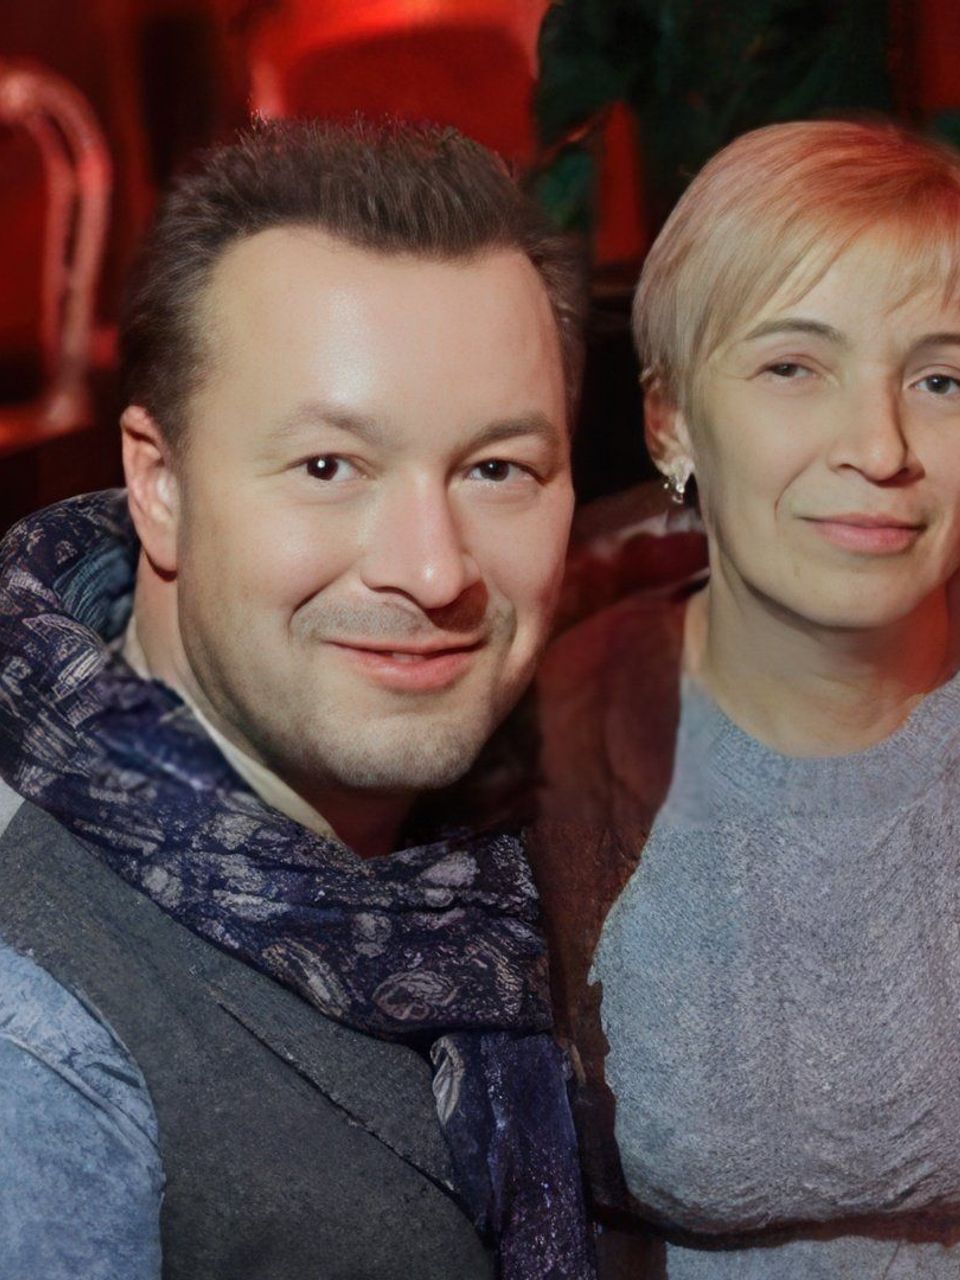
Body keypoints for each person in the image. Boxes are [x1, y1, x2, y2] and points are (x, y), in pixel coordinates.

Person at [0, 118, 595, 1280]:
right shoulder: (39, 1035)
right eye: (330, 466)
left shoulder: (509, 841)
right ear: (159, 483)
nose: (434, 568)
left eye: (497, 469)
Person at [533, 118, 960, 1276]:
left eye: (940, 378)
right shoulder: (542, 743)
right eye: (793, 367)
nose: (879, 446)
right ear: (671, 420)